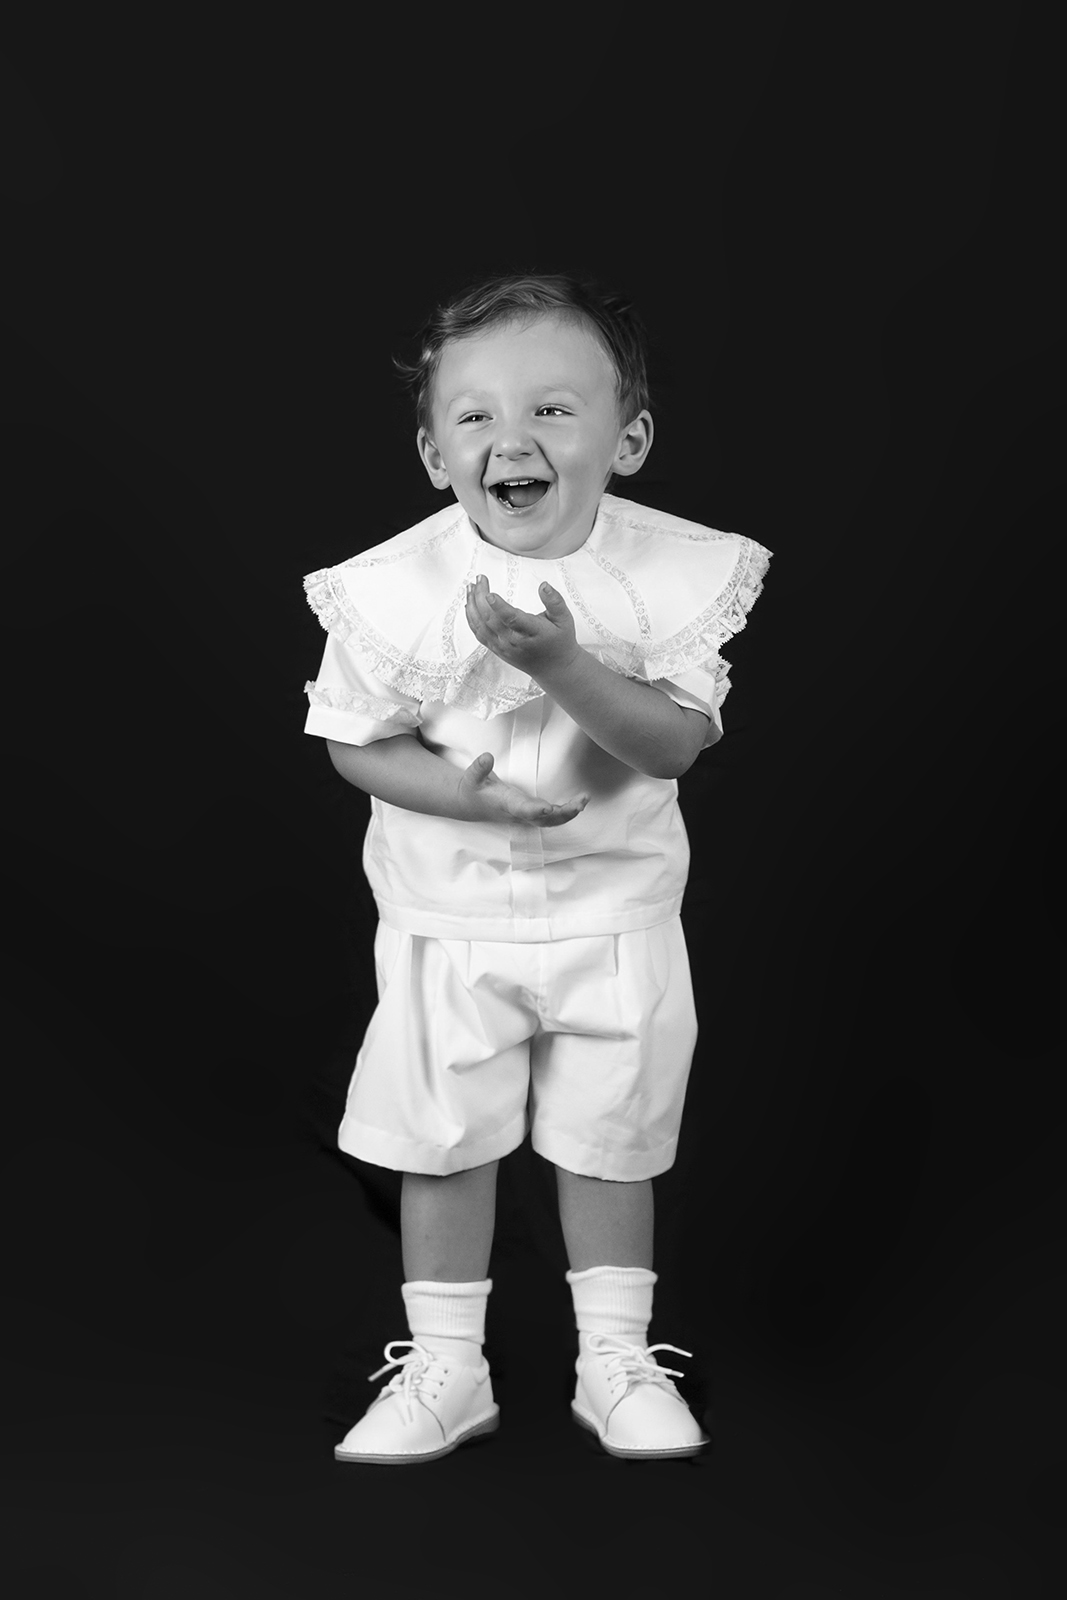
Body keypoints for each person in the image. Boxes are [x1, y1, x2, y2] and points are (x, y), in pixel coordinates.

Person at [302, 271, 771, 1463]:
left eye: (553, 410)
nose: (511, 439)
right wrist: (464, 793)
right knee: (440, 1137)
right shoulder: (388, 590)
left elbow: (670, 742)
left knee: (607, 1135)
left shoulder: (666, 578)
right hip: (447, 920)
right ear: (431, 454)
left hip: (612, 914)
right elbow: (356, 744)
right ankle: (446, 1365)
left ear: (628, 437)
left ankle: (613, 1354)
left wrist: (564, 664)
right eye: (474, 418)